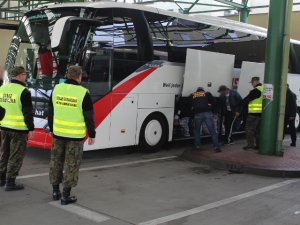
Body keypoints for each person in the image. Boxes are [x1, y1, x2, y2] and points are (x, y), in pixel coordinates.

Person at [48, 65, 96, 205]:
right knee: (71, 164)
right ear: (79, 76)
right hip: (75, 138)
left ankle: (55, 191)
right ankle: (65, 196)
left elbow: (50, 112)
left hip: (57, 134)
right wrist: (92, 134)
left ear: (68, 75)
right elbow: (89, 117)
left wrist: (52, 128)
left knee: (56, 162)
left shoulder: (56, 89)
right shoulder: (83, 93)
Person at [0, 66, 34, 190]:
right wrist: (31, 128)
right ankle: (10, 182)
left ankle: (1, 178)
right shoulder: (24, 91)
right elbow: (28, 113)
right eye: (25, 74)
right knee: (15, 155)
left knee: (4, 153)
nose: (25, 77)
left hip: (4, 127)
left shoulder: (2, 89)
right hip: (19, 130)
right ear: (20, 76)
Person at [192, 87, 221, 152]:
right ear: (203, 91)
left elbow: (190, 104)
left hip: (198, 114)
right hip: (207, 113)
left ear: (197, 91)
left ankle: (197, 146)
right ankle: (216, 147)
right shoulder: (207, 94)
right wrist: (210, 106)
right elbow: (214, 101)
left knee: (197, 131)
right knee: (212, 131)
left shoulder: (193, 95)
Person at [238, 77, 263, 150]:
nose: (252, 84)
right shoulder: (263, 89)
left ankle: (250, 145)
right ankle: (258, 145)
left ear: (256, 81)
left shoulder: (256, 90)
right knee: (258, 131)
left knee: (249, 130)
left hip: (253, 114)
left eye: (252, 82)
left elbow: (247, 99)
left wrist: (239, 104)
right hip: (261, 114)